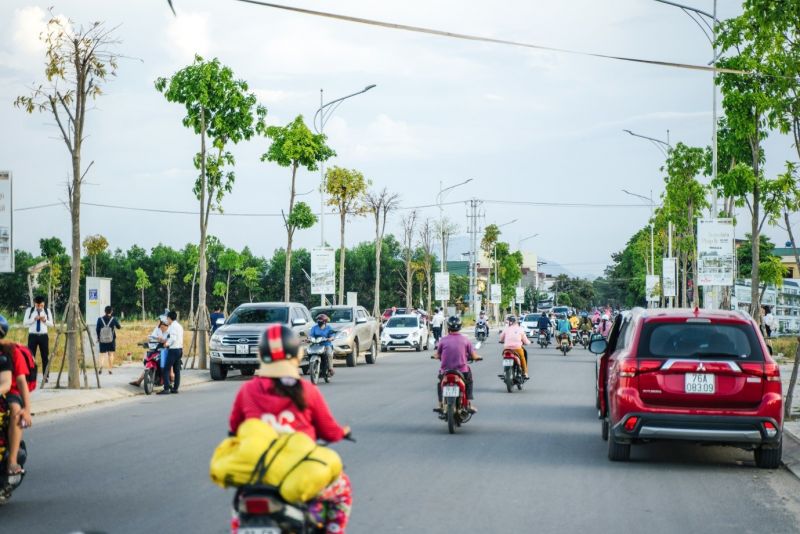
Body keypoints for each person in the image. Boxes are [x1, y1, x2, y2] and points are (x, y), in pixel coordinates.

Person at [228, 324, 352, 533]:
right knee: (342, 492)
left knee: (240, 506)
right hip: (299, 470)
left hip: (258, 471)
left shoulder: (247, 390)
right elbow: (329, 431)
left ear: (261, 355)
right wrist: (342, 432)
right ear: (297, 354)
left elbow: (234, 428)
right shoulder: (307, 390)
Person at [0, 315, 32, 479]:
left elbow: (20, 382)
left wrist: (27, 409)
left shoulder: (11, 352)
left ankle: (12, 460)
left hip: (10, 392)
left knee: (15, 411)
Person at [434, 315, 482, 413]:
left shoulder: (443, 340)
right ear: (460, 326)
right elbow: (473, 355)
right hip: (462, 371)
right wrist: (477, 357)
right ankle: (468, 402)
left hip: (446, 371)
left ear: (448, 326)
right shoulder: (465, 340)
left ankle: (440, 404)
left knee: (440, 383)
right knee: (469, 381)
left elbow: (437, 355)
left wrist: (437, 356)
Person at [129, 319, 170, 388]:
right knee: (148, 362)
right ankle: (139, 381)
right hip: (154, 350)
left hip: (165, 351)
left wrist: (164, 341)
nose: (161, 327)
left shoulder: (170, 332)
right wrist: (147, 341)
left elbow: (170, 341)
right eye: (161, 325)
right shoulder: (157, 329)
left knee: (166, 365)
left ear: (167, 326)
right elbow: (151, 337)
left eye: (163, 326)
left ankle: (167, 381)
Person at [23, 295, 53, 381]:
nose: (39, 307)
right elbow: (24, 323)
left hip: (43, 336)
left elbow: (51, 324)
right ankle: (30, 376)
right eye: (37, 305)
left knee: (45, 356)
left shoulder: (47, 311)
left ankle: (45, 376)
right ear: (35, 304)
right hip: (32, 336)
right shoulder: (30, 310)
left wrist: (44, 320)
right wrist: (33, 319)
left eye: (41, 306)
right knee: (31, 356)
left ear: (44, 304)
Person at [159, 311, 184, 395]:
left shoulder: (173, 326)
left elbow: (173, 338)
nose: (167, 320)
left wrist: (166, 344)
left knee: (166, 368)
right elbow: (173, 337)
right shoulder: (179, 326)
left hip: (173, 350)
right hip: (180, 349)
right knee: (177, 370)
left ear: (169, 318)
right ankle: (175, 388)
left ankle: (166, 388)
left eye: (167, 318)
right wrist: (165, 340)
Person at [96, 306, 122, 375]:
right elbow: (119, 327)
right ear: (111, 312)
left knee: (102, 354)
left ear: (105, 311)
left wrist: (98, 337)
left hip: (102, 340)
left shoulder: (100, 319)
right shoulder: (113, 319)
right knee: (110, 354)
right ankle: (110, 369)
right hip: (111, 339)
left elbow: (97, 329)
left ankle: (101, 366)